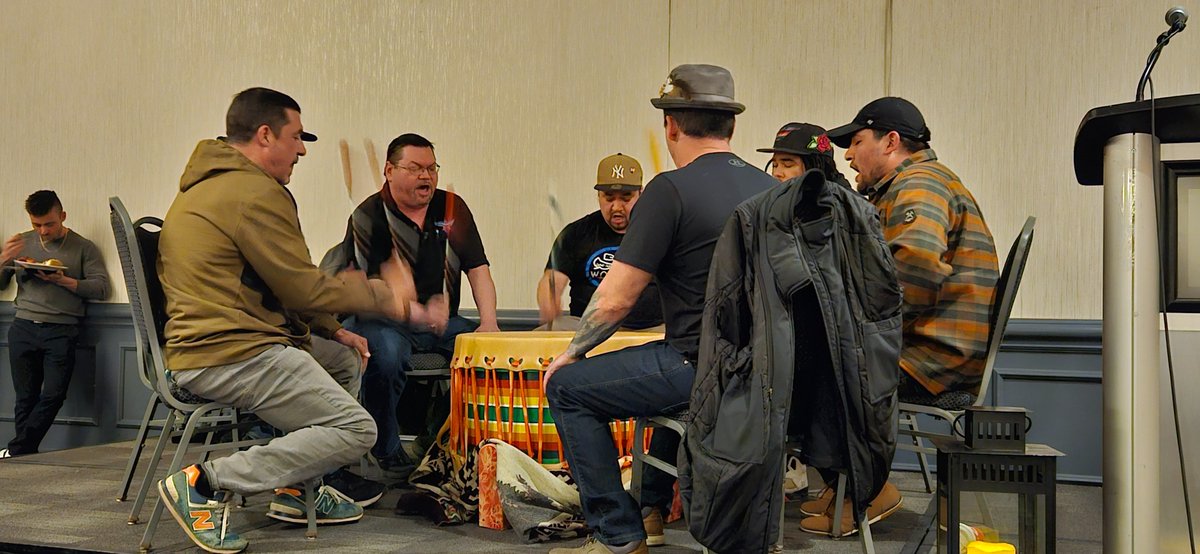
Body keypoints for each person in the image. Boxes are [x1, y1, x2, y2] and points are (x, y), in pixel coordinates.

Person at [155, 87, 414, 554]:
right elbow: (301, 288)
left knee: (343, 359)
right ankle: (206, 482)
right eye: (296, 137)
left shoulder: (213, 183)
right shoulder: (253, 192)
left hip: (213, 343)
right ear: (265, 134)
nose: (302, 149)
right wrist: (384, 294)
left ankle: (296, 488)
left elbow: (281, 284)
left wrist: (334, 329)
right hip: (231, 351)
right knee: (358, 430)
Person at [542, 64, 776, 554]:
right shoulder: (773, 190)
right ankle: (650, 509)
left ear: (670, 124)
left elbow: (615, 299)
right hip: (768, 375)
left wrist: (571, 352)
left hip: (699, 366)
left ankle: (618, 534)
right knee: (667, 386)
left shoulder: (669, 191)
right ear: (730, 125)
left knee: (568, 389)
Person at [794, 96, 998, 534]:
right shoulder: (914, 184)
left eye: (857, 141)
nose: (847, 154)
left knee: (809, 365)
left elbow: (915, 271)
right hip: (933, 348)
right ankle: (845, 483)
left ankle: (867, 489)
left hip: (931, 359)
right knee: (820, 352)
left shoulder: (920, 185)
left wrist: (846, 326)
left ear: (890, 142)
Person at [338, 132, 499, 481]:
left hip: (442, 322)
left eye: (431, 168)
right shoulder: (368, 215)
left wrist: (489, 324)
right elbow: (372, 292)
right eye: (414, 168)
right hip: (381, 322)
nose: (426, 177)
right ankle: (386, 447)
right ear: (390, 171)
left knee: (490, 356)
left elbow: (478, 269)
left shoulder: (453, 208)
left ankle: (435, 438)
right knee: (387, 354)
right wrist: (416, 312)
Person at [0, 191, 109, 459]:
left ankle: (17, 449)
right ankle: (23, 454)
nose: (43, 231)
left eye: (49, 224)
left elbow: (101, 287)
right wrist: (4, 259)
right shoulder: (23, 242)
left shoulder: (84, 247)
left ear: (62, 216)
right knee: (25, 397)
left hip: (61, 329)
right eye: (37, 225)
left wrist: (64, 281)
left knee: (53, 394)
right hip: (23, 325)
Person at [536, 153, 663, 331]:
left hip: (648, 331)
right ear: (598, 196)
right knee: (547, 332)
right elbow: (552, 280)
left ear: (640, 193)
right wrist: (549, 296)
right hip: (586, 329)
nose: (617, 207)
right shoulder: (576, 233)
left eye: (626, 197)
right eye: (609, 198)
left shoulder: (660, 232)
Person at [757, 121, 853, 188]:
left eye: (787, 165)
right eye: (774, 165)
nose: (776, 173)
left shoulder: (846, 210)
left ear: (817, 167)